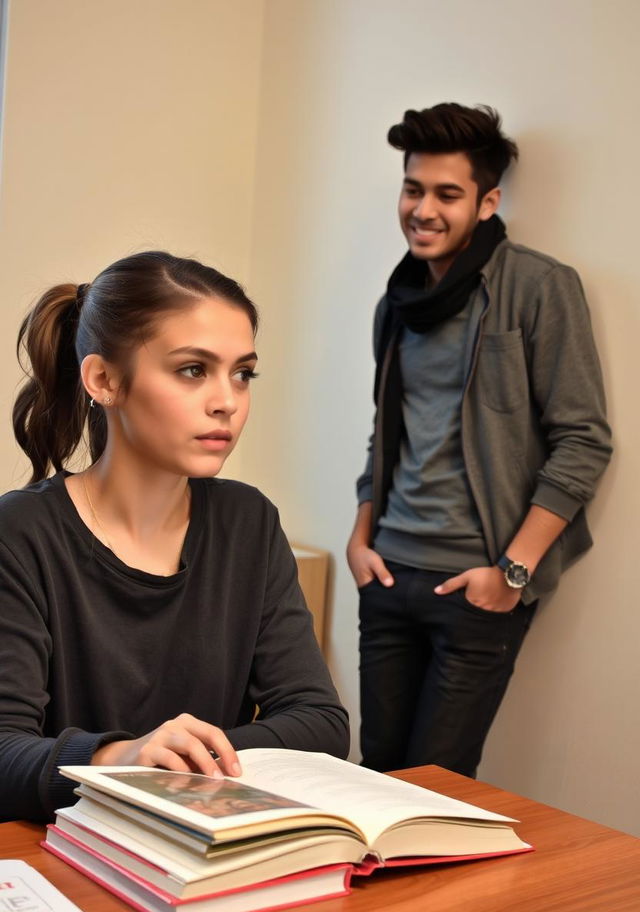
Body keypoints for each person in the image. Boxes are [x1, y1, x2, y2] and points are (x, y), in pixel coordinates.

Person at [0, 250, 349, 822]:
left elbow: (319, 720)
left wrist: (178, 763)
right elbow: (3, 753)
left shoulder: (249, 522)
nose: (228, 401)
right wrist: (122, 757)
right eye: (193, 370)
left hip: (208, 848)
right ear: (104, 379)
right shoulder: (19, 533)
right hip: (64, 858)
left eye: (243, 373)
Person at [347, 103, 612, 777]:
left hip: (476, 584)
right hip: (388, 573)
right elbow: (389, 432)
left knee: (434, 792)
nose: (423, 209)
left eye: (447, 194)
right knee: (375, 776)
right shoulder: (397, 302)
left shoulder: (538, 287)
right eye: (414, 189)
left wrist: (513, 575)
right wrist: (360, 536)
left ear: (487, 202)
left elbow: (583, 440)